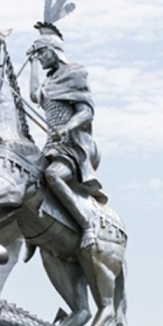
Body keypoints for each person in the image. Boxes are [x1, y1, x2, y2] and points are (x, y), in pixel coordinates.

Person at [28, 22, 106, 249]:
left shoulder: (74, 73)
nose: (41, 57)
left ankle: (87, 225)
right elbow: (34, 95)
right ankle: (31, 231)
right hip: (52, 144)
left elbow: (86, 112)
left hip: (73, 145)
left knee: (52, 176)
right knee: (27, 177)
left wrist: (67, 127)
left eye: (42, 52)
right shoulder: (49, 81)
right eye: (38, 54)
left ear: (54, 51)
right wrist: (32, 62)